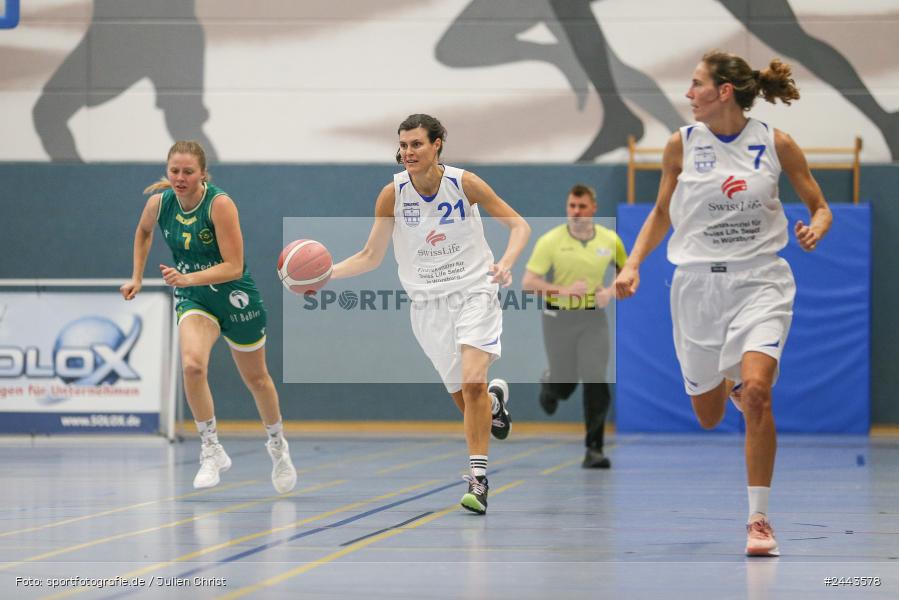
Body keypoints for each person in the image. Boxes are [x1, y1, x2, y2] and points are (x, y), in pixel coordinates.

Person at [615, 51, 832, 556]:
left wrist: (815, 229)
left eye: (696, 85)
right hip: (696, 288)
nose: (689, 94)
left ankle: (758, 519)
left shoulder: (776, 144)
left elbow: (819, 206)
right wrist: (633, 263)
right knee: (709, 414)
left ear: (724, 91)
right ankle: (727, 385)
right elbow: (662, 212)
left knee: (757, 392)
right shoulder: (681, 145)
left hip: (762, 282)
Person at [330, 114, 531, 515]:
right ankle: (494, 406)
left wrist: (505, 263)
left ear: (437, 144)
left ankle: (478, 479)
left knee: (472, 382)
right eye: (403, 145)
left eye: (417, 144)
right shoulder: (392, 194)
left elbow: (519, 226)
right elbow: (371, 256)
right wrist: (326, 273)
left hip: (475, 290)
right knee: (467, 400)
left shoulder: (464, 184)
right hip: (428, 307)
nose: (408, 152)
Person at [120, 140, 296, 493]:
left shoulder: (220, 205)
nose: (180, 178)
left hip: (235, 297)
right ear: (167, 171)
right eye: (174, 171)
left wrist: (188, 277)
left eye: (188, 172)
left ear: (202, 173)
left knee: (257, 379)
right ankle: (211, 448)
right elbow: (143, 231)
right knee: (192, 366)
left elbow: (233, 266)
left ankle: (278, 446)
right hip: (195, 297)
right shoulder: (159, 203)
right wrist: (137, 276)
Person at [522, 184, 626, 469]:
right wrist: (563, 291)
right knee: (565, 384)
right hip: (558, 319)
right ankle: (551, 386)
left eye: (581, 207)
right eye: (572, 207)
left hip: (593, 318)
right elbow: (528, 283)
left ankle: (594, 449)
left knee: (594, 375)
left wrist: (611, 291)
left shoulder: (610, 240)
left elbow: (627, 275)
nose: (576, 213)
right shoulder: (550, 241)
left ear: (593, 208)